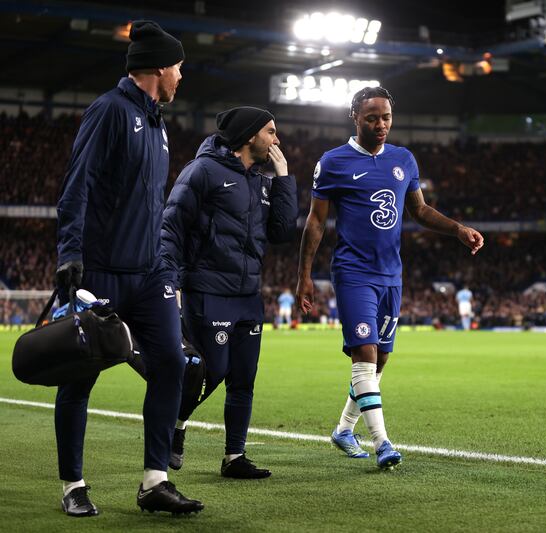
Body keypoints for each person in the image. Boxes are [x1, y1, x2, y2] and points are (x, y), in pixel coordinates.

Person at [54, 20, 202, 516]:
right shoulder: (110, 110)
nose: (183, 75)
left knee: (172, 365)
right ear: (159, 67)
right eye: (179, 66)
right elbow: (78, 184)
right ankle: (73, 486)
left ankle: (154, 482)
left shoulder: (158, 124)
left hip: (149, 272)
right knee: (79, 379)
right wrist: (69, 252)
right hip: (101, 271)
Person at [296, 87, 484, 469]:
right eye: (371, 118)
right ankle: (383, 443)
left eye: (386, 117)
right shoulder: (333, 162)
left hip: (391, 275)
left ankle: (344, 430)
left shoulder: (404, 159)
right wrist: (304, 275)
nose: (380, 125)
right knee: (363, 356)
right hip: (352, 273)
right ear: (355, 117)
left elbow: (420, 210)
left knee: (378, 362)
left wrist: (458, 230)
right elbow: (315, 222)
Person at [161, 106, 297, 478]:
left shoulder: (261, 180)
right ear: (251, 135)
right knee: (212, 370)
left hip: (248, 294)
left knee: (244, 378)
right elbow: (171, 225)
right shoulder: (203, 171)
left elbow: (283, 231)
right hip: (208, 288)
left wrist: (283, 176)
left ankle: (234, 457)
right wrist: (169, 281)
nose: (276, 139)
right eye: (271, 131)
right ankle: (175, 424)